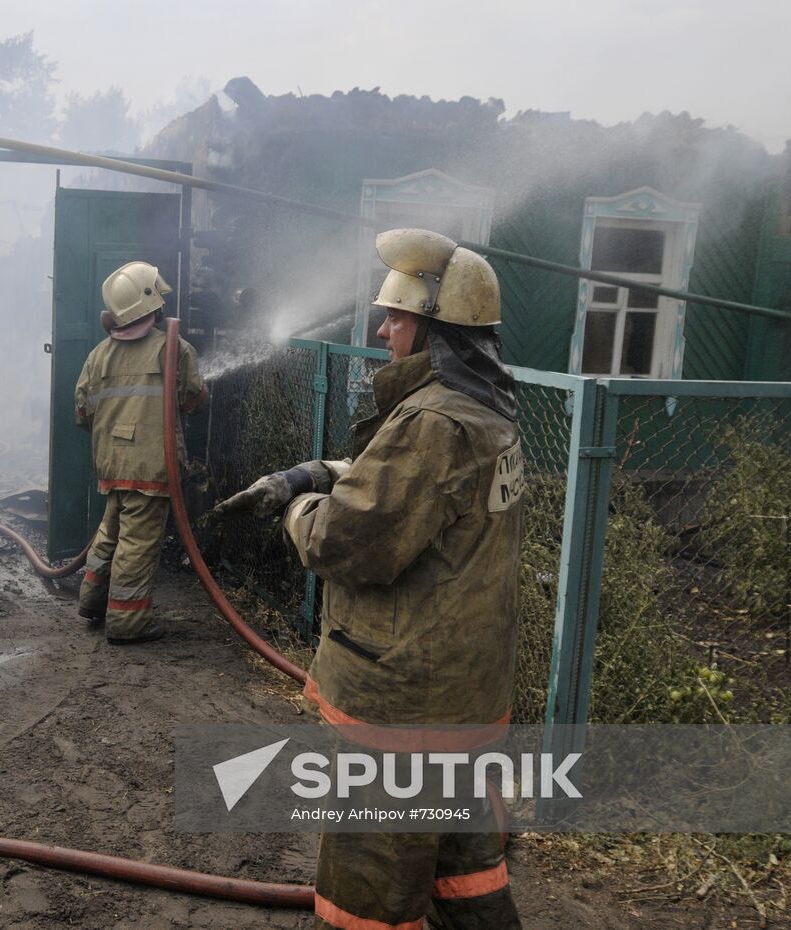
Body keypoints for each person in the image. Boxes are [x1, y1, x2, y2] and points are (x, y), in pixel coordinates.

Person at [217, 229, 524, 929]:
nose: (383, 328)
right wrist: (320, 472)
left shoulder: (433, 423)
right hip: (463, 703)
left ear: (437, 333)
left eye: (398, 318)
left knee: (368, 899)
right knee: (466, 875)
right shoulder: (488, 413)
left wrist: (296, 504)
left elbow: (348, 540)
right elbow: (419, 496)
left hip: (402, 715)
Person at [74, 261, 207, 645]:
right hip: (151, 464)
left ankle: (93, 601)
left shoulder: (99, 354)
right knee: (137, 543)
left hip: (112, 461)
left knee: (110, 532)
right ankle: (128, 623)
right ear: (149, 303)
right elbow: (194, 400)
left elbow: (81, 412)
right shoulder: (173, 348)